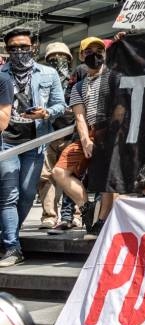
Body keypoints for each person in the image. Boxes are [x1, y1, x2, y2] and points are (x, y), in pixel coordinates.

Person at [0, 29, 67, 267]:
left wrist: (46, 112)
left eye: (23, 47)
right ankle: (12, 247)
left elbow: (61, 104)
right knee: (9, 195)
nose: (19, 52)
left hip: (35, 142)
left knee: (28, 194)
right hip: (6, 141)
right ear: (7, 50)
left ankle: (7, 237)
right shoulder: (1, 74)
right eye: (13, 48)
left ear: (33, 47)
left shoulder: (48, 73)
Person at [48, 38, 114, 236]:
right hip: (90, 132)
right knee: (59, 171)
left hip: (111, 133)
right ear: (82, 55)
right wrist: (85, 139)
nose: (95, 54)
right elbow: (79, 116)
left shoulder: (114, 78)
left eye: (99, 50)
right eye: (89, 51)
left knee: (107, 181)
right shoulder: (78, 86)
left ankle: (100, 223)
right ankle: (86, 208)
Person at [35, 42, 77, 229]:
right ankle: (49, 215)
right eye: (53, 58)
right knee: (46, 177)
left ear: (69, 60)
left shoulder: (76, 80)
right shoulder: (43, 83)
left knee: (72, 175)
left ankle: (75, 214)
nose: (58, 61)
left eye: (62, 57)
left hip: (71, 135)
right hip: (48, 135)